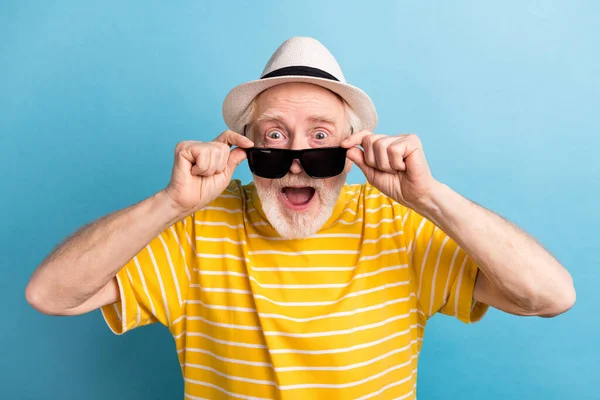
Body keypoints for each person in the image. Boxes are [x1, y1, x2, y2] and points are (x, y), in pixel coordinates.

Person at [26, 37, 575, 399]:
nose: (295, 162)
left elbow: (551, 297)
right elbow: (51, 296)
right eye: (273, 138)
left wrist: (431, 199)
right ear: (245, 149)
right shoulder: (196, 230)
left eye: (320, 139)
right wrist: (170, 203)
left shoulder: (399, 225)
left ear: (352, 150)